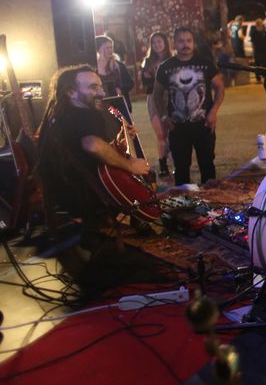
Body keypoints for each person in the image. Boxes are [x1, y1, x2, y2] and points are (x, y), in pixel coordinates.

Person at [35, 65, 150, 252]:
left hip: (60, 190)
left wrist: (119, 139)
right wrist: (130, 165)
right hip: (86, 194)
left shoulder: (57, 115)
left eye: (100, 87)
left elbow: (83, 150)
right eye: (93, 87)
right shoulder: (85, 115)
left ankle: (96, 228)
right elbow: (93, 146)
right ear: (71, 92)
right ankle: (139, 222)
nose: (102, 93)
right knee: (141, 173)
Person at [153, 27, 225, 186]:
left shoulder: (205, 64)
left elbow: (220, 88)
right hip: (177, 127)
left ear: (193, 43)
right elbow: (156, 94)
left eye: (188, 41)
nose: (185, 44)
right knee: (181, 170)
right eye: (181, 41)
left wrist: (213, 112)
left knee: (207, 166)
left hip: (204, 125)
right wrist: (163, 116)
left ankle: (210, 199)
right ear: (174, 43)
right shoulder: (165, 67)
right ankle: (184, 200)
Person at [140, 32, 172, 176]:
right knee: (160, 134)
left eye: (159, 41)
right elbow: (145, 83)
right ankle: (163, 166)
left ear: (165, 43)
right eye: (154, 42)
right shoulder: (148, 62)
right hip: (153, 98)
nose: (157, 45)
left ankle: (176, 161)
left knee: (172, 133)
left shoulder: (172, 60)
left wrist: (153, 78)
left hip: (169, 98)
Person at [95, 35, 135, 111]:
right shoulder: (93, 67)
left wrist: (120, 89)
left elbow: (130, 83)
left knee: (120, 119)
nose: (110, 50)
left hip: (118, 105)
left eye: (111, 47)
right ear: (99, 49)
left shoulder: (119, 66)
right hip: (101, 106)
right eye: (107, 48)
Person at [249, 18, 266, 82]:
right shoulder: (254, 32)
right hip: (257, 50)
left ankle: (265, 76)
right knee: (257, 64)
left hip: (264, 50)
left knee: (265, 64)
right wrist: (253, 50)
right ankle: (258, 78)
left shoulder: (264, 31)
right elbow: (253, 42)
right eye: (261, 22)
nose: (262, 23)